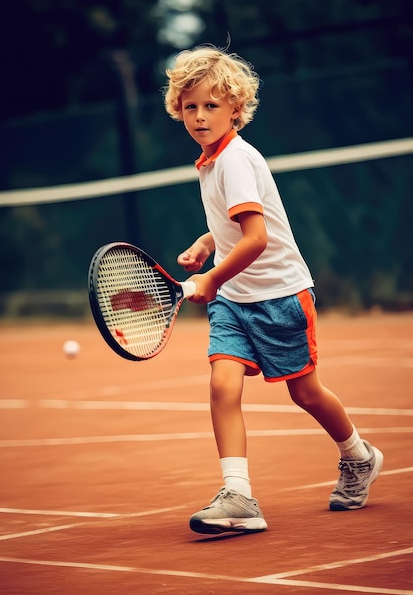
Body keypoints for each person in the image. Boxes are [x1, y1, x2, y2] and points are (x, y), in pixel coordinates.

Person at [163, 45, 383, 535]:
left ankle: (359, 455)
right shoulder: (211, 161)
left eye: (212, 106)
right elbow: (234, 225)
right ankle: (238, 494)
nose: (199, 116)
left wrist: (211, 278)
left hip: (280, 295)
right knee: (223, 386)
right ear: (178, 109)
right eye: (190, 106)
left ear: (235, 110)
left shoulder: (237, 160)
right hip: (235, 302)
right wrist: (206, 245)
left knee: (305, 393)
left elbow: (258, 239)